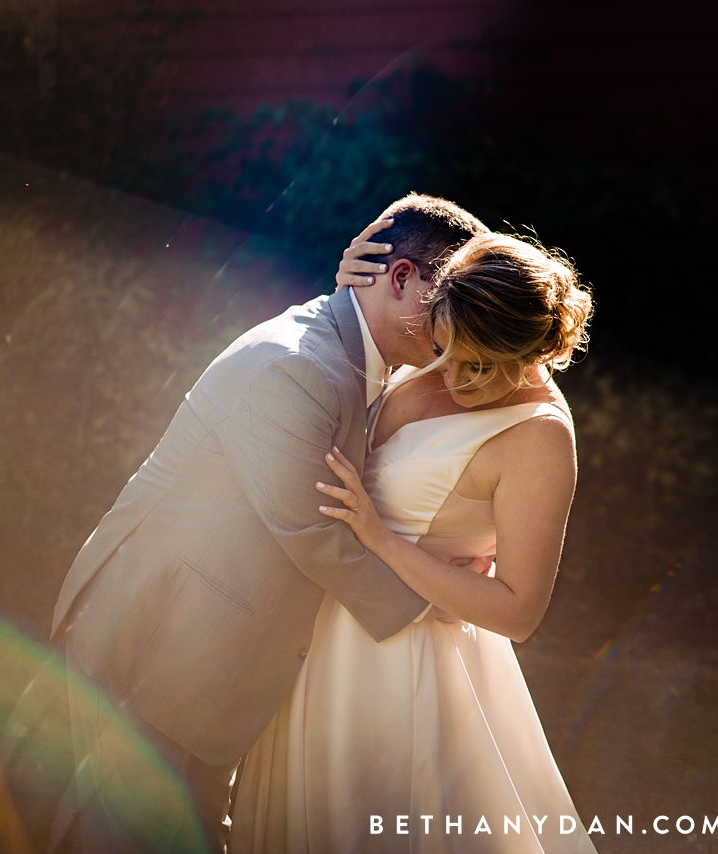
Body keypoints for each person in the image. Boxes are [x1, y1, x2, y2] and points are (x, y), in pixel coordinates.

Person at [51, 194, 490, 853]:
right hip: (159, 639)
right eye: (453, 308)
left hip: (210, 645)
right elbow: (316, 533)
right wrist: (438, 602)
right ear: (400, 278)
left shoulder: (355, 352)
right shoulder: (298, 365)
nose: (456, 333)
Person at [229, 230, 597, 853]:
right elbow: (464, 256)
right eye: (444, 349)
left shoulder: (539, 437)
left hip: (400, 666)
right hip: (309, 639)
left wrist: (381, 536)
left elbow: (518, 611)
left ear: (530, 348)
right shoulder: (461, 316)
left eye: (477, 366)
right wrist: (357, 282)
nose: (449, 374)